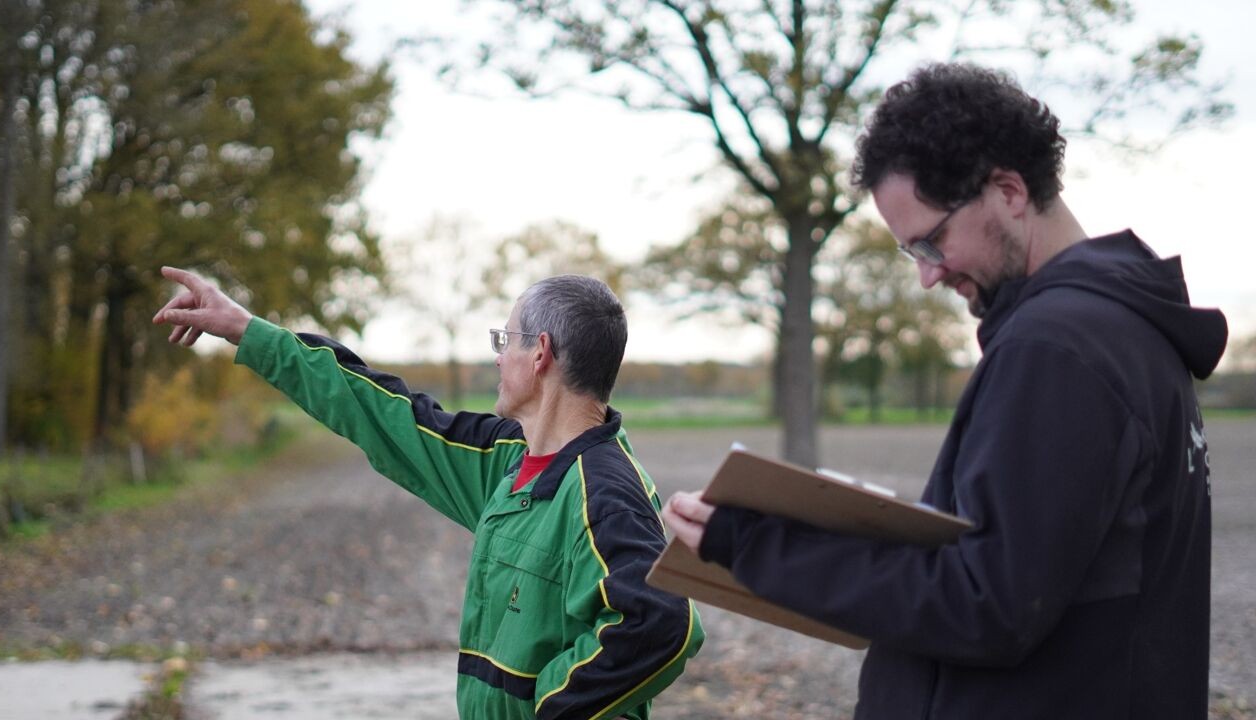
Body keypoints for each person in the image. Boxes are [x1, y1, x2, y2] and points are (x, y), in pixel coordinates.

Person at [663, 62, 1227, 719]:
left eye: (932, 242)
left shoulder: (1058, 348)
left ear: (1008, 191)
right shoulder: (1127, 332)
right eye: (913, 254)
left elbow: (986, 605)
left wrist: (760, 545)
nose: (929, 277)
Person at [154, 268, 703, 720]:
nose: (496, 356)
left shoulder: (604, 490)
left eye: (503, 340)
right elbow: (381, 412)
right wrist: (248, 330)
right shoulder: (505, 461)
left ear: (540, 354)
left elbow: (660, 622)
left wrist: (549, 709)